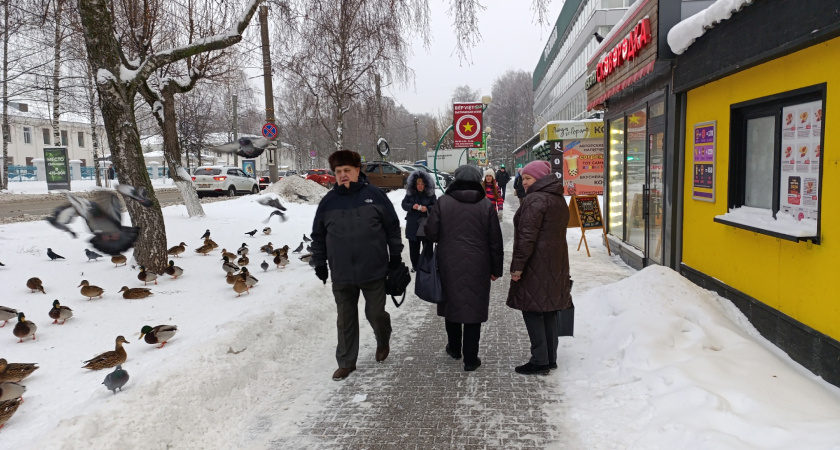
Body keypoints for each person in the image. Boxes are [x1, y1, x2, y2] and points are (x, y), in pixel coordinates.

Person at [311, 149, 404, 381]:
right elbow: (318, 235)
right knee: (345, 320)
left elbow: (392, 227)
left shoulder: (375, 195)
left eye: (347, 170)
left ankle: (383, 340)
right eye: (338, 171)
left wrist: (396, 257)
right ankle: (346, 362)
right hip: (341, 273)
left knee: (375, 313)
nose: (342, 175)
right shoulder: (328, 202)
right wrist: (320, 263)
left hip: (373, 270)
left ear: (357, 171)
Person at [425, 165, 504, 372]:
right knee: (473, 309)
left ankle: (454, 348)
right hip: (480, 263)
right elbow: (495, 240)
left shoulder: (443, 202)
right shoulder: (486, 205)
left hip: (448, 263)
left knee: (452, 304)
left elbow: (431, 234)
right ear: (478, 181)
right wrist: (497, 269)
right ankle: (471, 358)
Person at [506, 160, 572, 375]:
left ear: (540, 178)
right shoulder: (557, 198)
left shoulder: (535, 199)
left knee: (533, 311)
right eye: (523, 178)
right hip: (555, 263)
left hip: (536, 264)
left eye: (528, 178)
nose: (524, 182)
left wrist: (517, 268)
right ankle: (550, 358)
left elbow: (526, 239)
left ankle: (539, 360)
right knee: (549, 311)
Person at [401, 170, 437, 273]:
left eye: (422, 184)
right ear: (414, 184)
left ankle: (427, 266)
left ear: (426, 184)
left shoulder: (430, 195)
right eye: (418, 184)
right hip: (413, 225)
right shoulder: (410, 194)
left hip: (426, 226)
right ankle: (415, 266)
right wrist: (412, 206)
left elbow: (435, 206)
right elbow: (403, 204)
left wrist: (428, 209)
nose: (420, 186)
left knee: (428, 248)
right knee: (414, 248)